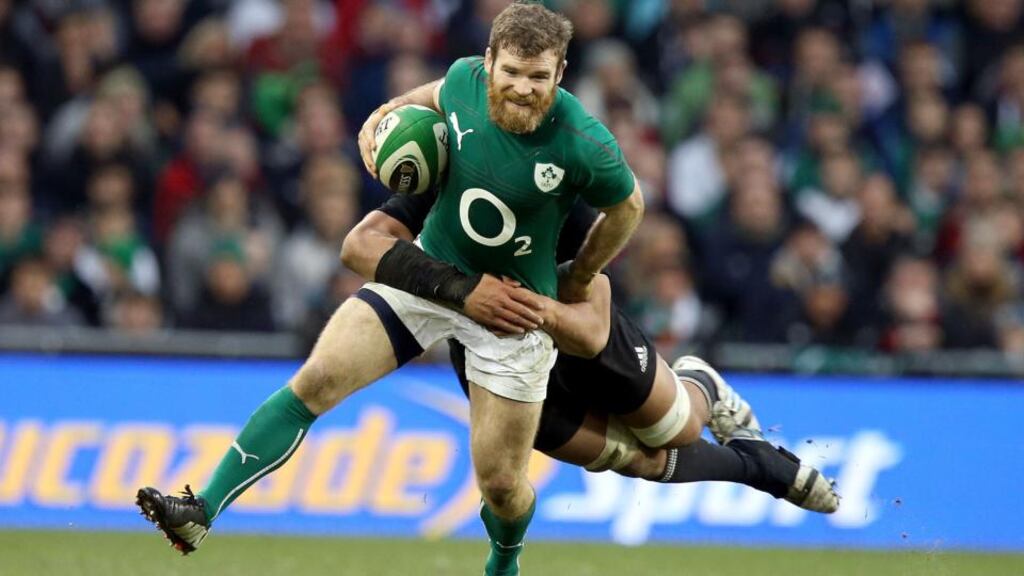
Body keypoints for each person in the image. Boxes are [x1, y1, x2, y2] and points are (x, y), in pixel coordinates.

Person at [137, 5, 646, 575]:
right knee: (317, 380)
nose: (524, 89)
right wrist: (375, 131)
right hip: (434, 272)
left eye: (539, 77)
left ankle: (504, 561)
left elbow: (628, 206)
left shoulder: (583, 140)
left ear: (561, 73)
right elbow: (397, 110)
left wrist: (579, 275)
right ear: (489, 63)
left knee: (501, 485)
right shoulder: (460, 81)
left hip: (512, 309)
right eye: (512, 73)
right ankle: (201, 510)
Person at [343, 186, 840, 513]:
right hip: (493, 364)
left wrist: (531, 309)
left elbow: (593, 315)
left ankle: (701, 383)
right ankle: (755, 466)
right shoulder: (437, 182)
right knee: (638, 461)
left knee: (678, 429)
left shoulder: (552, 189)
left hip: (579, 341)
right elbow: (358, 246)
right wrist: (457, 291)